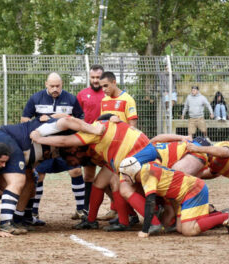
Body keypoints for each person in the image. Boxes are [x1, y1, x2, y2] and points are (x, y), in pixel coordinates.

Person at [30, 117, 159, 232]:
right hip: (134, 151)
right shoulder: (97, 123)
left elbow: (64, 141)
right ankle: (91, 221)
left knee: (121, 187)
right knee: (99, 182)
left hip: (138, 153)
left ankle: (144, 221)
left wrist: (40, 138)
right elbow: (106, 116)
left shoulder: (91, 133)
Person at [21, 72, 87, 221]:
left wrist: (62, 118)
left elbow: (81, 119)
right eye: (52, 86)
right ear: (46, 84)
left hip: (66, 144)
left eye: (57, 86)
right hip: (44, 145)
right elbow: (24, 119)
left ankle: (81, 210)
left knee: (76, 171)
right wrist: (39, 121)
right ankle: (33, 213)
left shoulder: (71, 99)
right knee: (38, 175)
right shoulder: (36, 98)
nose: (55, 88)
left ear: (62, 84)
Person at [118, 159, 229, 237]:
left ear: (130, 172)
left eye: (124, 175)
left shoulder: (147, 176)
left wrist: (145, 230)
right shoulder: (146, 167)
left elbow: (150, 203)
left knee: (189, 231)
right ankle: (222, 215)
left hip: (193, 189)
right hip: (186, 193)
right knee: (181, 228)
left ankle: (226, 217)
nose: (123, 178)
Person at [99, 71, 139, 221]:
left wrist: (120, 123)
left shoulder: (127, 99)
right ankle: (124, 211)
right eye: (101, 86)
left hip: (124, 150)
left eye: (106, 86)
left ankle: (128, 214)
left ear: (114, 82)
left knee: (117, 183)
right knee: (103, 183)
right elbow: (103, 123)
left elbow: (133, 127)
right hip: (110, 150)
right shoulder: (104, 101)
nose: (104, 89)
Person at [76, 64, 105, 213]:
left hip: (105, 141)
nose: (95, 80)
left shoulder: (109, 94)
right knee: (88, 175)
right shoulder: (82, 94)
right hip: (87, 141)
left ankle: (115, 210)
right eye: (93, 77)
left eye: (98, 77)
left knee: (112, 175)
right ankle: (84, 209)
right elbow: (76, 116)